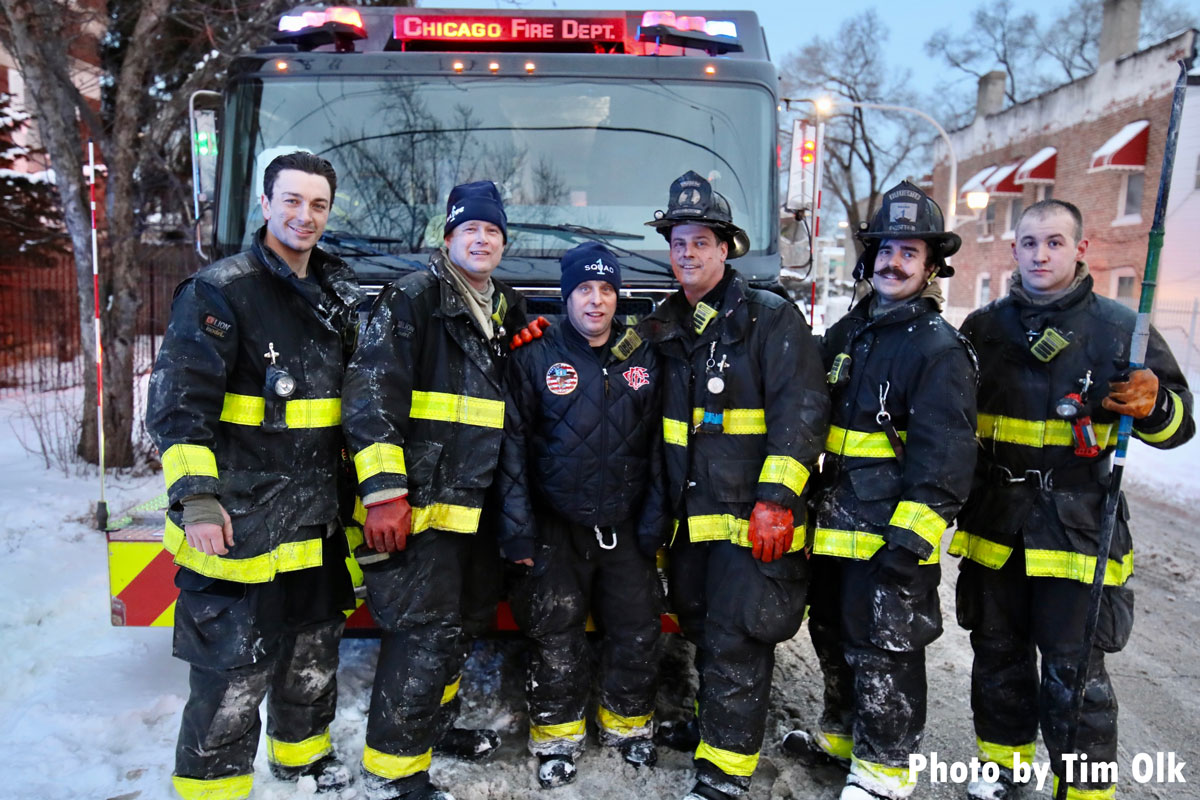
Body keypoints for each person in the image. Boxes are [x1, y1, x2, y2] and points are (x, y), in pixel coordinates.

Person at [950, 199, 1194, 800]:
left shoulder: (1122, 330)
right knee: (998, 657)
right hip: (996, 527)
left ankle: (1083, 790)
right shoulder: (982, 329)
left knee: (1074, 670)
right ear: (1014, 250)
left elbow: (1179, 428)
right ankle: (1003, 773)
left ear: (1081, 249)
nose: (1041, 254)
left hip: (1080, 528)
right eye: (1030, 243)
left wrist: (1154, 403)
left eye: (1055, 243)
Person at [146, 151, 364, 800]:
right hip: (241, 525)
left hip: (317, 523)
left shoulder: (335, 295)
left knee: (312, 659)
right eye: (292, 201)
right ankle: (213, 786)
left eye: (318, 204)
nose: (305, 215)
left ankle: (302, 759)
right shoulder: (220, 292)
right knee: (232, 674)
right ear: (265, 206)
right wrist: (199, 500)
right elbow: (178, 408)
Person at [341, 181, 546, 800]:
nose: (481, 240)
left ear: (502, 243)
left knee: (463, 623)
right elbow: (370, 398)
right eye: (469, 230)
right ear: (448, 237)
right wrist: (383, 492)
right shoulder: (412, 299)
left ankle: (433, 727)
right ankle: (394, 771)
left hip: (477, 507)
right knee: (423, 631)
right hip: (422, 505)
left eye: (492, 232)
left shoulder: (502, 306)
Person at [780, 181, 978, 800]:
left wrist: (907, 544)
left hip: (887, 537)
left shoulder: (940, 350)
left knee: (885, 650)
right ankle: (840, 742)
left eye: (909, 252)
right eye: (885, 249)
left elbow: (945, 459)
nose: (893, 262)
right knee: (833, 636)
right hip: (833, 526)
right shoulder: (849, 334)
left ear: (930, 266)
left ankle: (885, 773)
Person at [640, 170, 830, 800]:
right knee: (700, 628)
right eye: (678, 242)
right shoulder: (665, 324)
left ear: (726, 249)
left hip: (752, 525)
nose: (687, 252)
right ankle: (713, 731)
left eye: (700, 241)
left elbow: (802, 415)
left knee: (736, 640)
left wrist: (778, 502)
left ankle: (724, 773)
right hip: (689, 523)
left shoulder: (769, 319)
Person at [495, 241, 668, 789]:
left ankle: (627, 728)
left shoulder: (645, 356)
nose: (596, 302)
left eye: (607, 290)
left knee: (637, 629)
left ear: (619, 297)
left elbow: (666, 446)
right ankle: (557, 739)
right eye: (584, 290)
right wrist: (519, 531)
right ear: (565, 296)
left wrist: (654, 520)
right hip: (555, 527)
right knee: (555, 632)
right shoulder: (534, 355)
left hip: (625, 526)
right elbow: (513, 451)